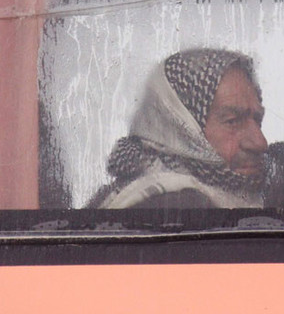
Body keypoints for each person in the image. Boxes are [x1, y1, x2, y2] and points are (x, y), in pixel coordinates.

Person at [90, 49, 268, 209]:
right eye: (232, 121)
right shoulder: (175, 206)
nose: (260, 143)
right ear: (181, 129)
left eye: (258, 121)